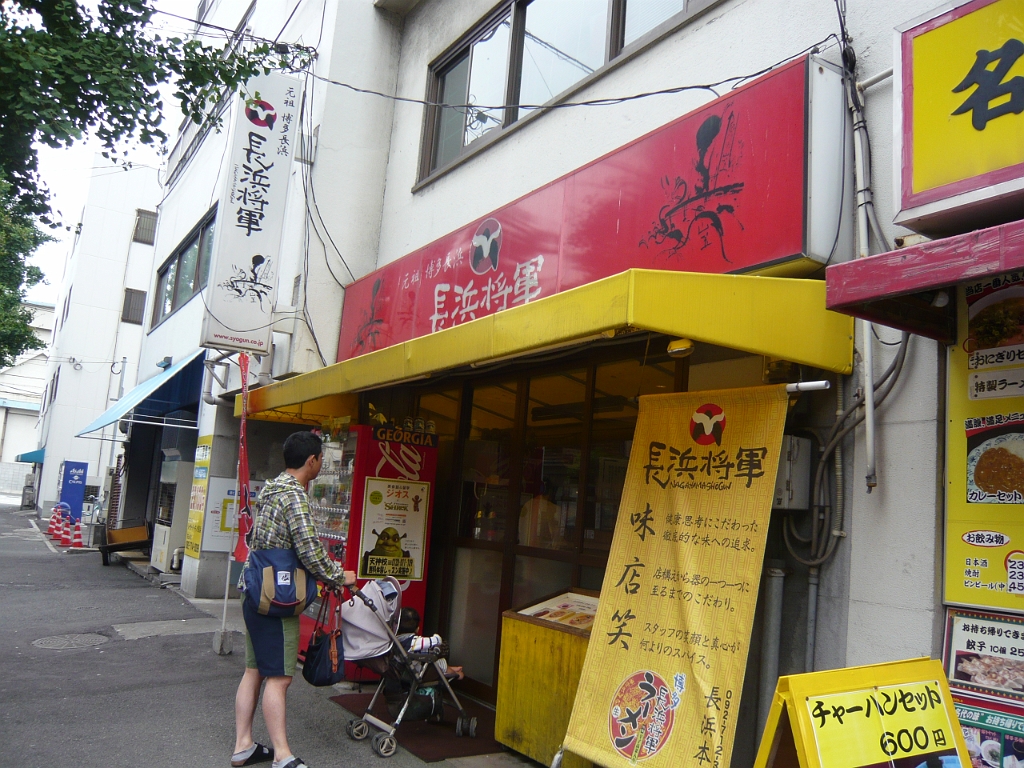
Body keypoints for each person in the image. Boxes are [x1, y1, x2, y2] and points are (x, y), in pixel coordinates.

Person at [232, 431, 356, 768]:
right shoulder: (295, 497)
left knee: (254, 669)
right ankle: (282, 755)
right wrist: (338, 575)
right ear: (313, 460)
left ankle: (244, 744)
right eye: (321, 459)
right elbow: (310, 550)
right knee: (280, 677)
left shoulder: (270, 490)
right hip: (277, 598)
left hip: (254, 588)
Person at [396, 607, 464, 680]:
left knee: (424, 654)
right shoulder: (415, 642)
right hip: (417, 673)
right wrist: (436, 636)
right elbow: (436, 641)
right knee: (437, 660)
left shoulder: (395, 639)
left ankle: (449, 668)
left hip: (403, 671)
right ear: (417, 629)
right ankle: (454, 673)